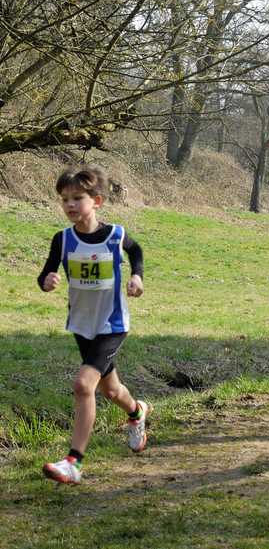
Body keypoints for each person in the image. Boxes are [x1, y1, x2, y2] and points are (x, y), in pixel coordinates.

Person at [38, 166, 152, 484]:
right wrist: (47, 281)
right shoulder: (62, 240)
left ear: (96, 201)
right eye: (65, 199)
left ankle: (73, 462)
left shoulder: (115, 235)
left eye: (77, 198)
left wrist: (137, 276)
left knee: (83, 385)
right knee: (111, 390)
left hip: (112, 323)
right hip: (81, 324)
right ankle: (136, 412)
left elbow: (136, 250)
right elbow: (45, 273)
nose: (70, 205)